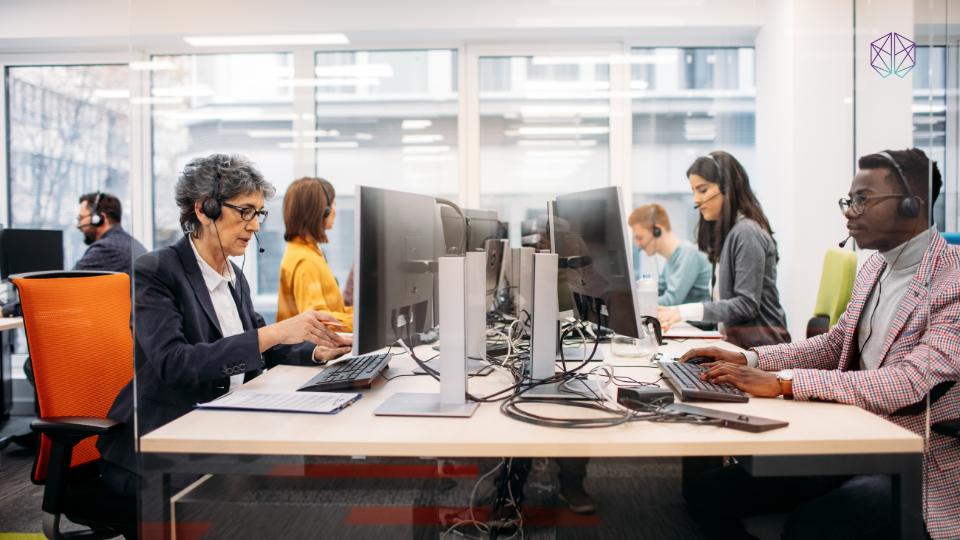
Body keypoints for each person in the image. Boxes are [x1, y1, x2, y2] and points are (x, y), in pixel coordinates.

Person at [680, 148, 960, 540]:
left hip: (914, 458)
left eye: (862, 200)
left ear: (911, 205)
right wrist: (750, 357)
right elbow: (833, 346)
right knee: (706, 491)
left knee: (810, 528)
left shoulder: (953, 280)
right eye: (849, 200)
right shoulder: (876, 267)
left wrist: (786, 383)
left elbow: (909, 381)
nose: (849, 212)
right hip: (852, 436)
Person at [96, 155, 352, 498]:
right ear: (205, 209)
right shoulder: (157, 271)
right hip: (162, 449)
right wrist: (274, 332)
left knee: (324, 470)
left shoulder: (235, 278)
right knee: (289, 495)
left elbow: (268, 349)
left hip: (226, 428)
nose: (256, 225)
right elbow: (176, 364)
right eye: (246, 211)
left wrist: (321, 351)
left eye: (259, 213)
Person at [658, 151, 791, 349]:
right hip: (737, 347)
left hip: (763, 350)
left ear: (727, 188)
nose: (696, 200)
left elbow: (746, 306)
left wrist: (682, 312)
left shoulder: (747, 233)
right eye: (694, 191)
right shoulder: (729, 233)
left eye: (702, 190)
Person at [276, 177, 353, 331]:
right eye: (333, 205)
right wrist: (361, 320)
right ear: (322, 211)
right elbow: (318, 321)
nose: (335, 211)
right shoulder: (305, 261)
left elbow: (331, 311)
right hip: (308, 351)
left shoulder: (305, 251)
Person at [628, 203, 711, 306]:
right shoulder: (670, 261)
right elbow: (658, 293)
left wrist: (633, 305)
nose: (636, 244)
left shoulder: (687, 254)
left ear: (656, 231)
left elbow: (671, 301)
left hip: (697, 322)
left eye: (639, 238)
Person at [75, 192, 147, 274]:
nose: (78, 225)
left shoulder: (105, 248)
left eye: (81, 218)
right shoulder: (132, 243)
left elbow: (65, 282)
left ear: (99, 219)